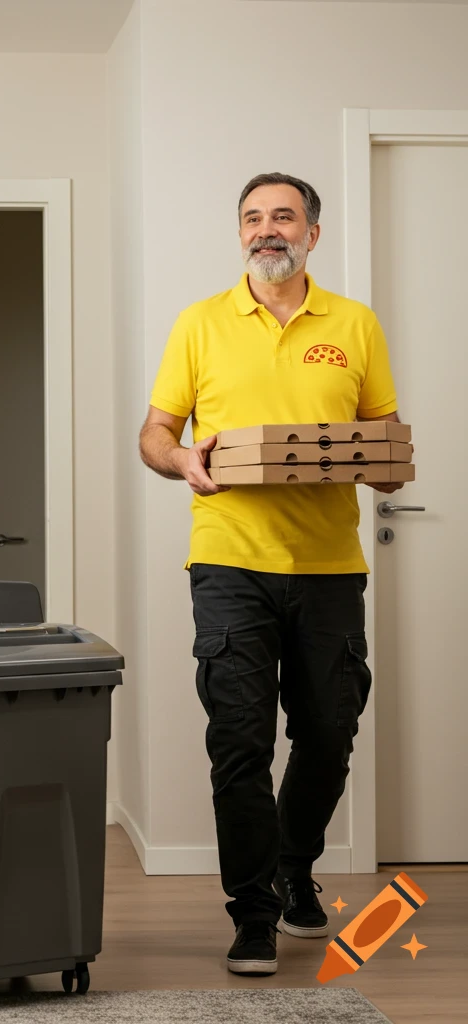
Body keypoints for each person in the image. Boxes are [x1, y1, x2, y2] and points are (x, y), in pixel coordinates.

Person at [139, 172, 402, 975]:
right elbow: (155, 434)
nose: (265, 230)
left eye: (282, 216)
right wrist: (183, 458)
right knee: (240, 743)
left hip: (329, 567)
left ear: (312, 233)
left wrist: (382, 464)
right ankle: (253, 913)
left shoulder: (354, 325)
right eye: (252, 218)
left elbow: (385, 438)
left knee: (329, 732)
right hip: (228, 564)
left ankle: (296, 868)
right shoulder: (201, 323)